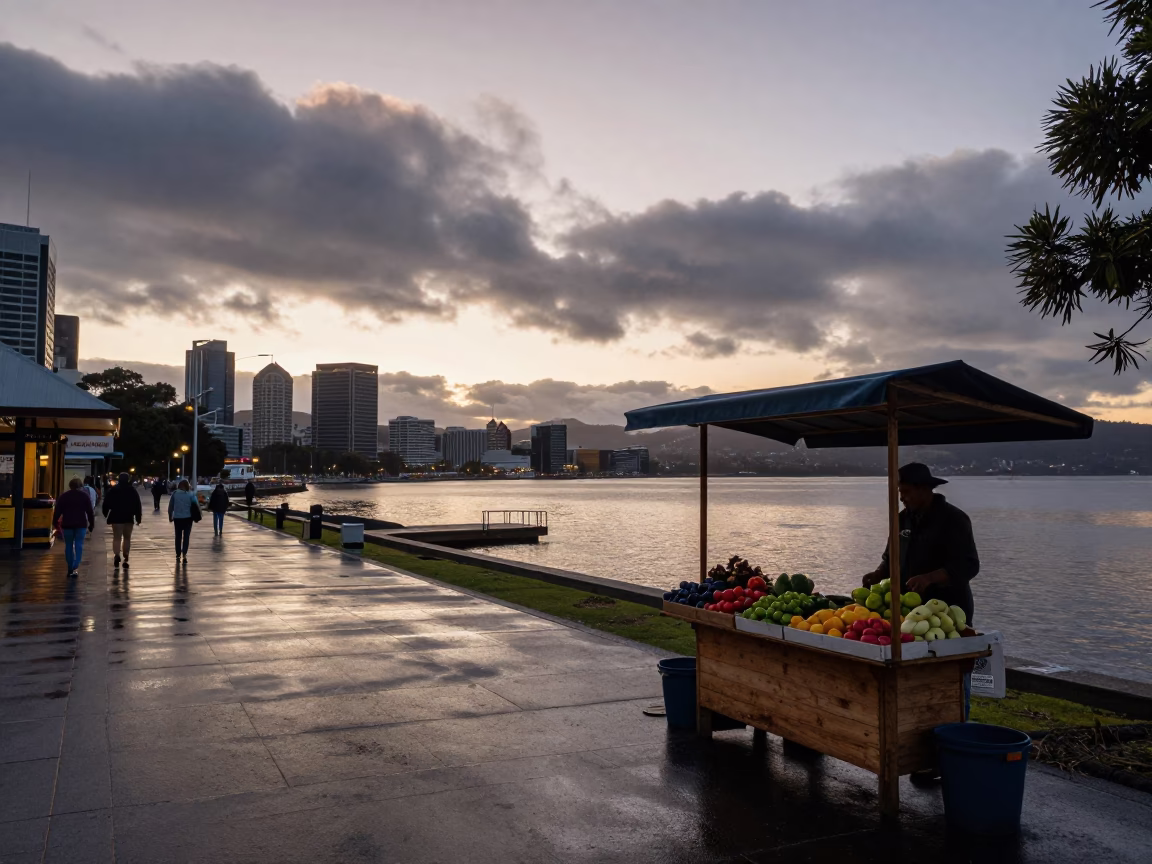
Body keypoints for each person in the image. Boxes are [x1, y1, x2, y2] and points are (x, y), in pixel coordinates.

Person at [862, 461, 979, 775]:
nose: (902, 497)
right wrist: (877, 574)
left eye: (907, 492)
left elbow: (969, 565)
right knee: (917, 685)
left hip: (948, 614)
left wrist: (931, 578)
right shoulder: (902, 519)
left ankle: (957, 746)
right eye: (900, 492)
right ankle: (922, 753)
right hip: (908, 616)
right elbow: (890, 559)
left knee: (952, 682)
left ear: (926, 490)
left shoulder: (954, 520)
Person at [53, 477, 94, 578]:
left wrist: (55, 523)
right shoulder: (84, 496)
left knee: (68, 545)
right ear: (80, 486)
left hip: (67, 524)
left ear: (70, 485)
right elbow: (89, 512)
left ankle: (70, 566)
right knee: (79, 544)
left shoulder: (64, 496)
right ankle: (76, 565)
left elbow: (58, 511)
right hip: (81, 524)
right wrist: (91, 525)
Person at [102, 471, 142, 569]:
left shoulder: (113, 490)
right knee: (127, 537)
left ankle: (116, 555)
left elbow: (106, 503)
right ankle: (126, 554)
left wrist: (105, 513)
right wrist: (138, 517)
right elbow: (138, 505)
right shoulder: (132, 490)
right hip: (128, 517)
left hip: (116, 516)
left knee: (117, 537)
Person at [168, 479, 198, 562]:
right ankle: (184, 553)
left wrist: (170, 516)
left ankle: (178, 554)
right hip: (188, 518)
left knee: (178, 536)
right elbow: (196, 506)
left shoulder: (175, 494)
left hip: (177, 518)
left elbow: (170, 506)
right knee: (186, 536)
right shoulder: (191, 494)